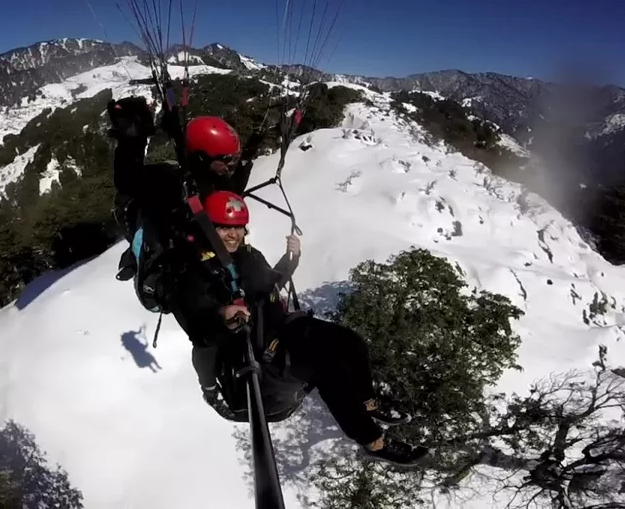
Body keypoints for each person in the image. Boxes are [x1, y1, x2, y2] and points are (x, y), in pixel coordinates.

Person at [169, 191, 428, 467]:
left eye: (238, 228)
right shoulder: (198, 269)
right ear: (209, 227)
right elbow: (196, 316)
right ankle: (374, 442)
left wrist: (291, 258)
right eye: (224, 228)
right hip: (258, 350)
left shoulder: (248, 255)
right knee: (327, 368)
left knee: (351, 342)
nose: (233, 235)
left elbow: (272, 283)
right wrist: (223, 313)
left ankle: (370, 405)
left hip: (284, 327)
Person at [107, 96, 258, 313]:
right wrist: (131, 138)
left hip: (215, 271)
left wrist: (250, 152)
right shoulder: (167, 184)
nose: (230, 165)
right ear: (203, 158)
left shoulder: (209, 179)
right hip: (178, 280)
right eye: (225, 159)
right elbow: (128, 181)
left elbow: (229, 189)